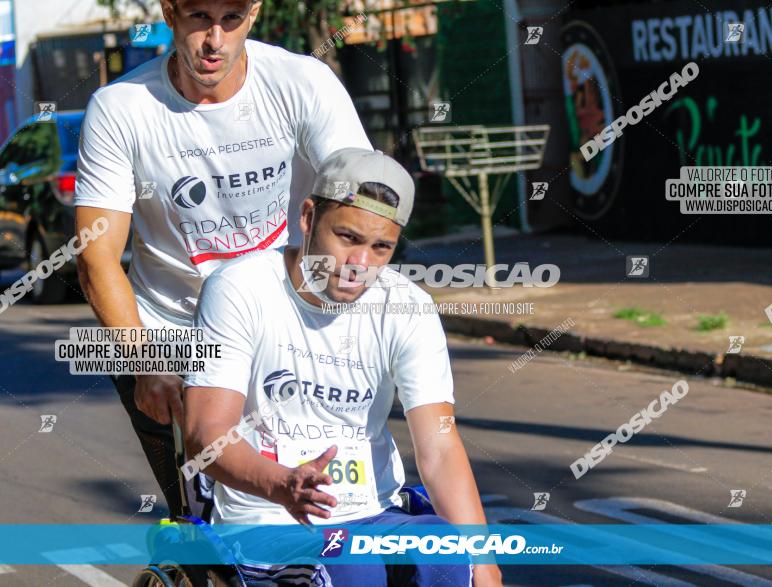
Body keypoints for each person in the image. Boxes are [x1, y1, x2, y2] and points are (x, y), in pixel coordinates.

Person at [73, 0, 371, 519]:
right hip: (173, 338)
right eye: (197, 19)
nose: (215, 40)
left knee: (321, 511)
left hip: (285, 329)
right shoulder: (120, 107)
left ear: (253, 14)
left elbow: (359, 206)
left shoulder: (302, 83)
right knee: (212, 528)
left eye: (230, 20)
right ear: (169, 12)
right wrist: (145, 362)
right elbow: (96, 256)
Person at [183, 148, 503, 586]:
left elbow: (440, 447)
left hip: (374, 514)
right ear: (308, 217)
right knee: (354, 567)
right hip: (269, 518)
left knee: (446, 553)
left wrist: (484, 566)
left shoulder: (407, 307)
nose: (360, 265)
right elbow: (206, 432)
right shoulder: (239, 289)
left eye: (380, 247)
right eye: (348, 238)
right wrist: (281, 484)